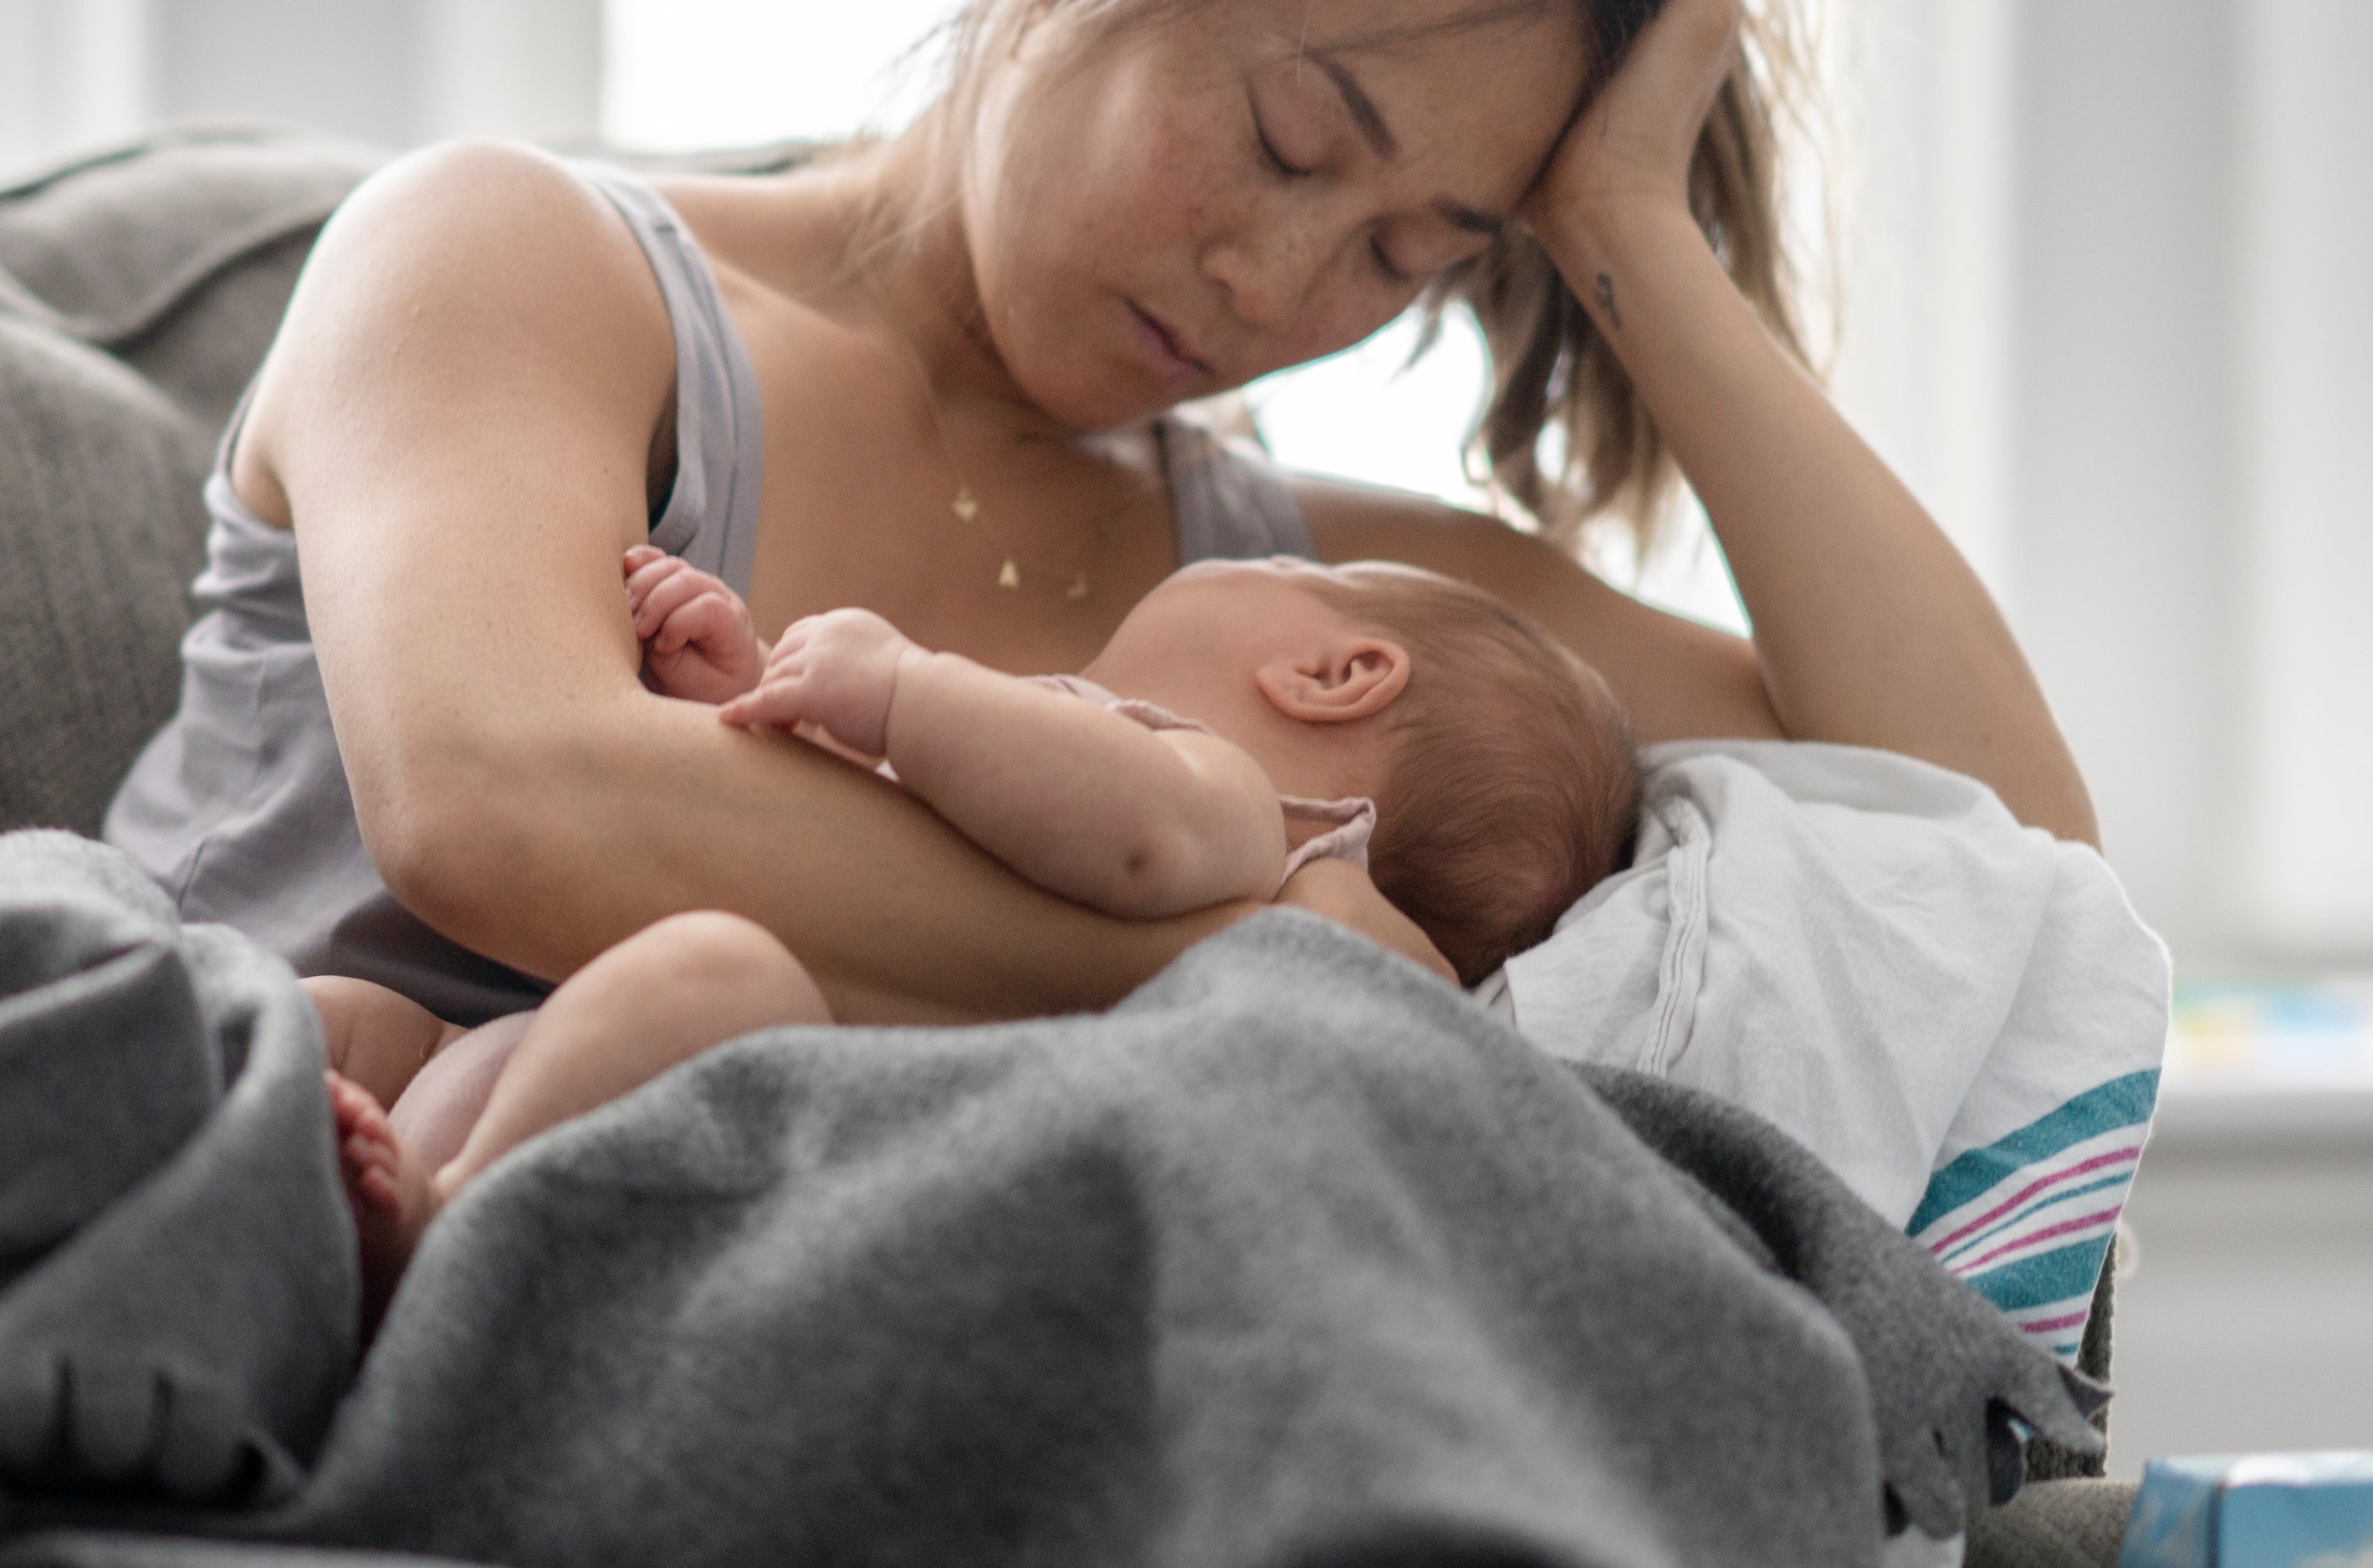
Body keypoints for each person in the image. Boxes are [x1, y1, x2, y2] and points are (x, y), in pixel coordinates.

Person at [106, 0, 2095, 1040]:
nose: (1283, 286)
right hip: (240, 1201)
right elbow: (501, 802)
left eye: (1413, 247)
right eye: (1286, 137)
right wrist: (1307, 963)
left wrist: (1627, 232)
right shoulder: (513, 256)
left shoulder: (1299, 601)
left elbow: (2003, 861)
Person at [311, 546, 1639, 1319]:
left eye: (1299, 567)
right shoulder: (1045, 753)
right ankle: (286, 1122)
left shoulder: (1239, 808)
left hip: (685, 1098)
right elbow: (861, 839)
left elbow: (1134, 836)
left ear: (1335, 674)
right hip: (520, 1056)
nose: (1258, 549)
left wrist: (900, 689)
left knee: (721, 966)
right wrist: (747, 690)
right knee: (348, 1018)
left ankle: (446, 1231)